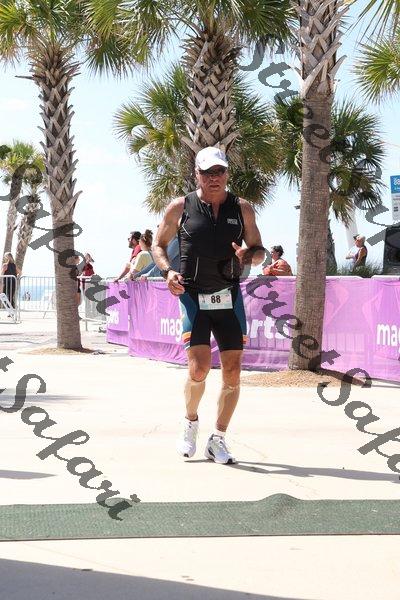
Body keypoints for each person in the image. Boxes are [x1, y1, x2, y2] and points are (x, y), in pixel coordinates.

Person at [153, 146, 265, 465]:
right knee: (199, 368)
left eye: (220, 172)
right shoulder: (180, 207)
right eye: (207, 173)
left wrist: (249, 255)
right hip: (192, 295)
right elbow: (158, 245)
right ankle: (190, 422)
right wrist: (167, 271)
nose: (214, 178)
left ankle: (218, 439)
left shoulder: (242, 208)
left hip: (229, 295)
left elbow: (259, 250)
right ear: (197, 175)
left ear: (227, 173)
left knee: (233, 371)